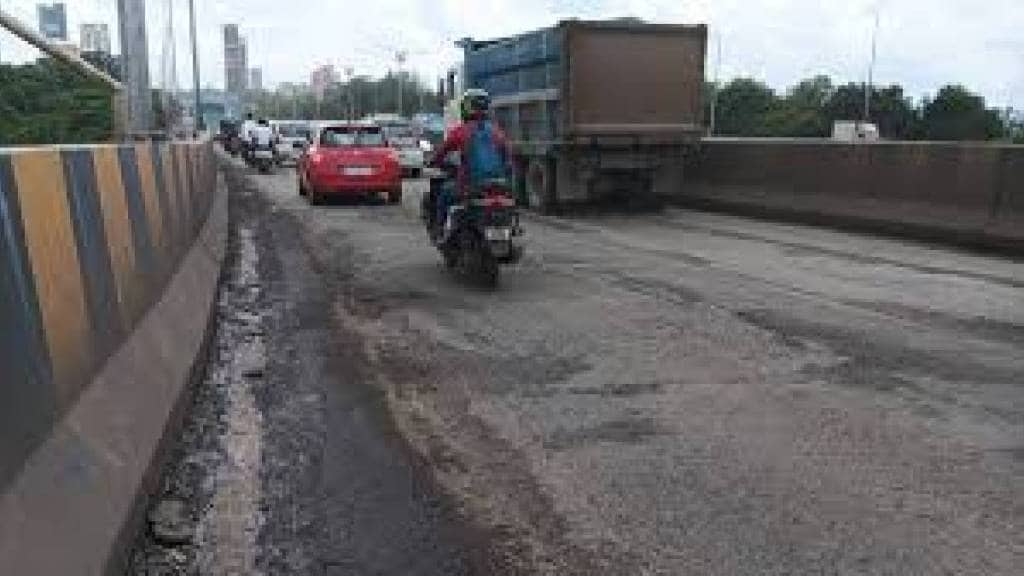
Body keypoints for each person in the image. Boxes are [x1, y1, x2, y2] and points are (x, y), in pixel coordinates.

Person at [428, 89, 510, 239]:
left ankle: (439, 230)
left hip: (470, 186)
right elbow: (507, 158)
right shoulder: (497, 131)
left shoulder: (461, 131)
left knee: (444, 195)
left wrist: (433, 162)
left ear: (466, 108)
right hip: (498, 187)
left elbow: (442, 152)